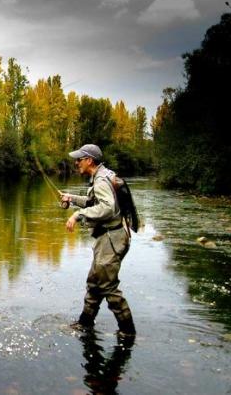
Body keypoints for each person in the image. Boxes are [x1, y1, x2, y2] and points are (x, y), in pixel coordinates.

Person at [60, 144, 136, 336]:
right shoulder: (103, 176)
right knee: (95, 281)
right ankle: (85, 323)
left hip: (113, 239)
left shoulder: (101, 180)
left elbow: (108, 208)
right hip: (110, 237)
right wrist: (71, 198)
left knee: (108, 286)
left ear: (89, 161)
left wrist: (78, 215)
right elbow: (95, 202)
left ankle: (128, 331)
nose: (76, 162)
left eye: (79, 159)